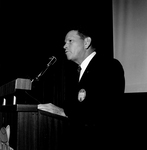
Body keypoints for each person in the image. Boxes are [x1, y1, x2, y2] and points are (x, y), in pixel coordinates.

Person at [62, 28, 125, 149]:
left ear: (87, 42)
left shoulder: (109, 66)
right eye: (65, 42)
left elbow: (104, 112)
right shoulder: (75, 74)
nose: (65, 46)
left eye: (70, 41)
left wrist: (64, 112)